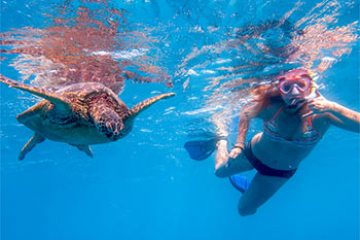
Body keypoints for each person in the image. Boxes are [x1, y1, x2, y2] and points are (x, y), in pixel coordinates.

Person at [192, 68, 360, 216]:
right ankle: (221, 140)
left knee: (245, 211)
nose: (295, 92)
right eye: (287, 87)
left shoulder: (323, 115)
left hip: (277, 173)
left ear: (310, 86)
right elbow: (246, 113)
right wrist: (238, 145)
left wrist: (334, 107)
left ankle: (252, 190)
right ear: (281, 91)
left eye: (301, 85)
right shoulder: (272, 107)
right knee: (219, 172)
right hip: (253, 153)